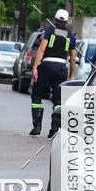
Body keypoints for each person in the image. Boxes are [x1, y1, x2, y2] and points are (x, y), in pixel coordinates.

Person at [29, 9, 77, 138]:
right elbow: (73, 59)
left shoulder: (49, 30)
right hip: (61, 68)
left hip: (46, 66)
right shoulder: (71, 35)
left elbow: (42, 48)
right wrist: (70, 76)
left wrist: (35, 67)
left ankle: (37, 127)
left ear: (54, 19)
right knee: (58, 100)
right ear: (67, 21)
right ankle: (54, 130)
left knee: (37, 95)